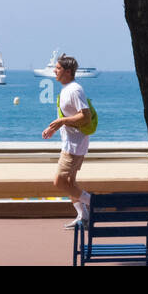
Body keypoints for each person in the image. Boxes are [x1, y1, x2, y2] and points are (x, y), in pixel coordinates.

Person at [42, 54, 91, 229]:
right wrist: (54, 128)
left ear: (68, 72)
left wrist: (61, 122)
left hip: (74, 145)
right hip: (72, 142)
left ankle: (94, 205)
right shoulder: (67, 88)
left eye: (58, 68)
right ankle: (83, 216)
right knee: (70, 183)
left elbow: (85, 116)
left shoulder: (74, 89)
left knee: (60, 182)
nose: (54, 71)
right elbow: (67, 116)